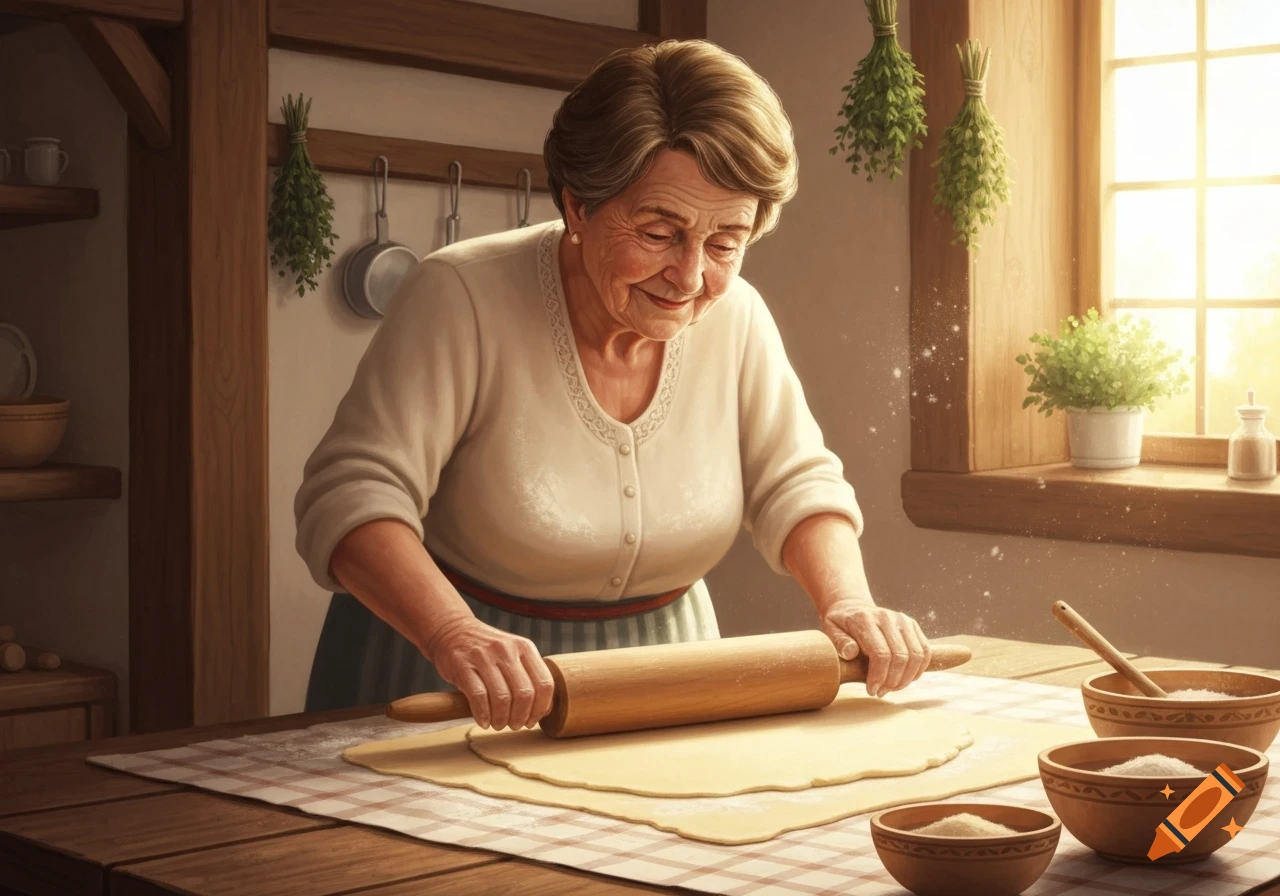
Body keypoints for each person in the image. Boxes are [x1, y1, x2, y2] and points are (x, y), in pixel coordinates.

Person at [296, 38, 931, 730]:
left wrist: (848, 603)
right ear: (578, 206)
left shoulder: (737, 315)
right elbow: (352, 497)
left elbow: (797, 484)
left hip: (666, 688)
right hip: (455, 681)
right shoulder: (459, 296)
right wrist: (454, 633)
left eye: (725, 243)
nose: (690, 278)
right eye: (659, 233)